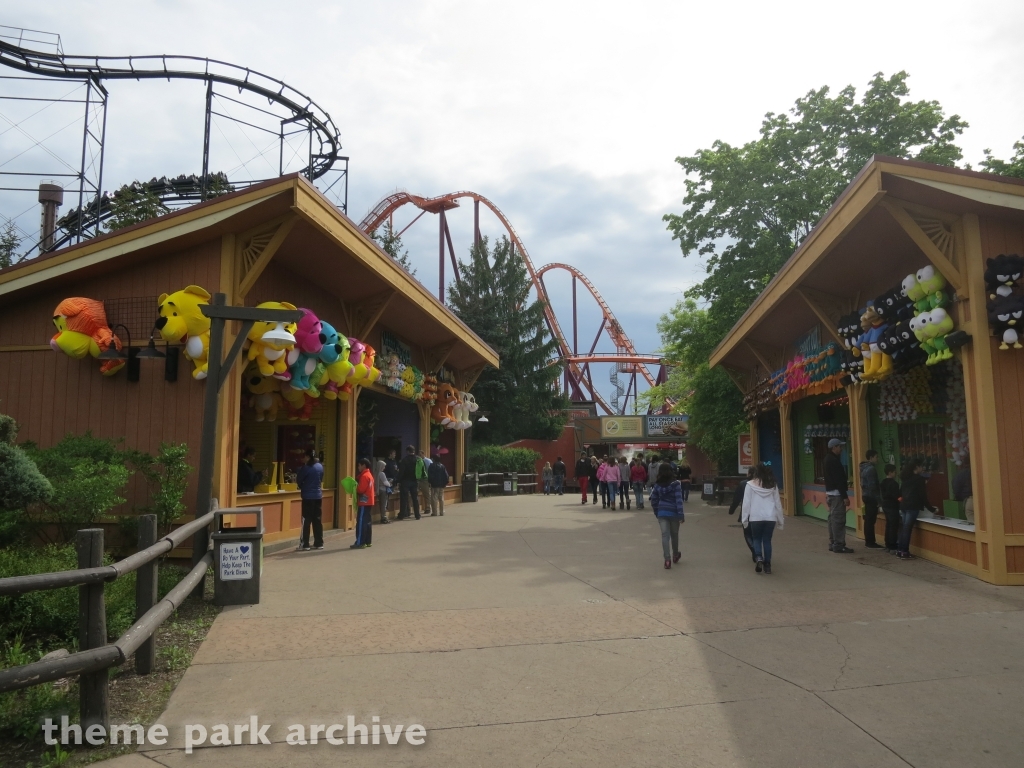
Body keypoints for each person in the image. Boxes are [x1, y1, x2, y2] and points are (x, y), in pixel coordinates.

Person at [741, 462, 785, 574]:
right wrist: (780, 521)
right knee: (767, 540)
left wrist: (744, 519)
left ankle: (759, 557)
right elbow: (778, 504)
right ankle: (768, 565)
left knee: (756, 539)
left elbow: (746, 504)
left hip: (755, 517)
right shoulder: (773, 485)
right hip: (770, 517)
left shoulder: (749, 485)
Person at [898, 460, 936, 560]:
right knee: (907, 529)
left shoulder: (905, 478)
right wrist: (931, 509)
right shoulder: (919, 479)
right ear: (917, 467)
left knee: (904, 528)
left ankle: (900, 550)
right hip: (913, 506)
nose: (922, 469)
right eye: (921, 466)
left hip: (904, 506)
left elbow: (900, 493)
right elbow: (923, 496)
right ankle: (905, 552)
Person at [648, 463, 685, 569]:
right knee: (674, 535)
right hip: (674, 512)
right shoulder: (676, 484)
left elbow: (654, 500)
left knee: (665, 536)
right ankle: (675, 555)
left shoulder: (657, 485)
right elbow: (679, 499)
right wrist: (681, 514)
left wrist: (657, 511)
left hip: (662, 512)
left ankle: (667, 560)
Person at [823, 438, 853, 553]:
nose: (841, 449)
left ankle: (833, 542)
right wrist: (845, 496)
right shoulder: (833, 461)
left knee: (832, 519)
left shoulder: (827, 459)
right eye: (840, 446)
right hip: (837, 494)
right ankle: (839, 544)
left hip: (830, 493)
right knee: (838, 520)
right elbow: (839, 480)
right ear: (834, 447)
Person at [296, 448, 324, 551]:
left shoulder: (306, 468)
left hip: (307, 497)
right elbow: (321, 479)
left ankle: (305, 544)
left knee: (306, 520)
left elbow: (299, 480)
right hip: (318, 496)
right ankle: (319, 542)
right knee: (317, 520)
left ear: (307, 457)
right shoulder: (320, 467)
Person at [729, 467, 758, 561]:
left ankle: (755, 551)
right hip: (759, 513)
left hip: (746, 512)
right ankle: (757, 552)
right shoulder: (761, 483)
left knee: (747, 534)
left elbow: (736, 498)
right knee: (757, 535)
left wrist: (732, 509)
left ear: (748, 473)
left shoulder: (743, 484)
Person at [859, 449, 882, 548]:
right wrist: (879, 500)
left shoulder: (863, 468)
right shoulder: (871, 469)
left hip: (865, 495)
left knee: (868, 519)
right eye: (876, 457)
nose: (877, 459)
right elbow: (873, 486)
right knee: (871, 520)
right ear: (871, 457)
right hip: (871, 496)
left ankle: (869, 540)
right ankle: (870, 541)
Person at [351, 457, 375, 549]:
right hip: (369, 501)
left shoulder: (364, 476)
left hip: (364, 502)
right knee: (367, 522)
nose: (358, 467)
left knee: (361, 522)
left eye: (359, 465)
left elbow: (361, 490)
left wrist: (355, 487)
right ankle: (367, 541)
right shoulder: (369, 475)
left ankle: (360, 542)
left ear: (363, 465)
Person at [879, 463, 901, 553]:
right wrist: (901, 500)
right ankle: (893, 546)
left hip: (885, 505)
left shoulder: (883, 482)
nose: (896, 474)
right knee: (893, 526)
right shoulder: (894, 484)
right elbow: (897, 496)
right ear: (890, 472)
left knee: (888, 524)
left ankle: (887, 544)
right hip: (893, 506)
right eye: (894, 472)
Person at [397, 445, 421, 520]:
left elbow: (401, 472)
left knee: (404, 498)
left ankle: (402, 515)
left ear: (407, 451)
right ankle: (417, 515)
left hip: (405, 481)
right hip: (414, 481)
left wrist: (398, 480)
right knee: (415, 498)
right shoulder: (418, 459)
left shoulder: (404, 460)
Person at [953, 458, 973, 524]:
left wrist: (960, 498)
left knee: (972, 523)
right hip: (982, 499)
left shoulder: (959, 474)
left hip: (968, 499)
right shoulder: (978, 471)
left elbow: (956, 489)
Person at [375, 459, 392, 524]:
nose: (384, 468)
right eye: (383, 466)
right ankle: (384, 517)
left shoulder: (376, 473)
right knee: (384, 504)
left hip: (378, 490)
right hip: (383, 490)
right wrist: (390, 483)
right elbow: (386, 483)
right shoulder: (382, 474)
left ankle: (383, 517)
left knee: (381, 504)